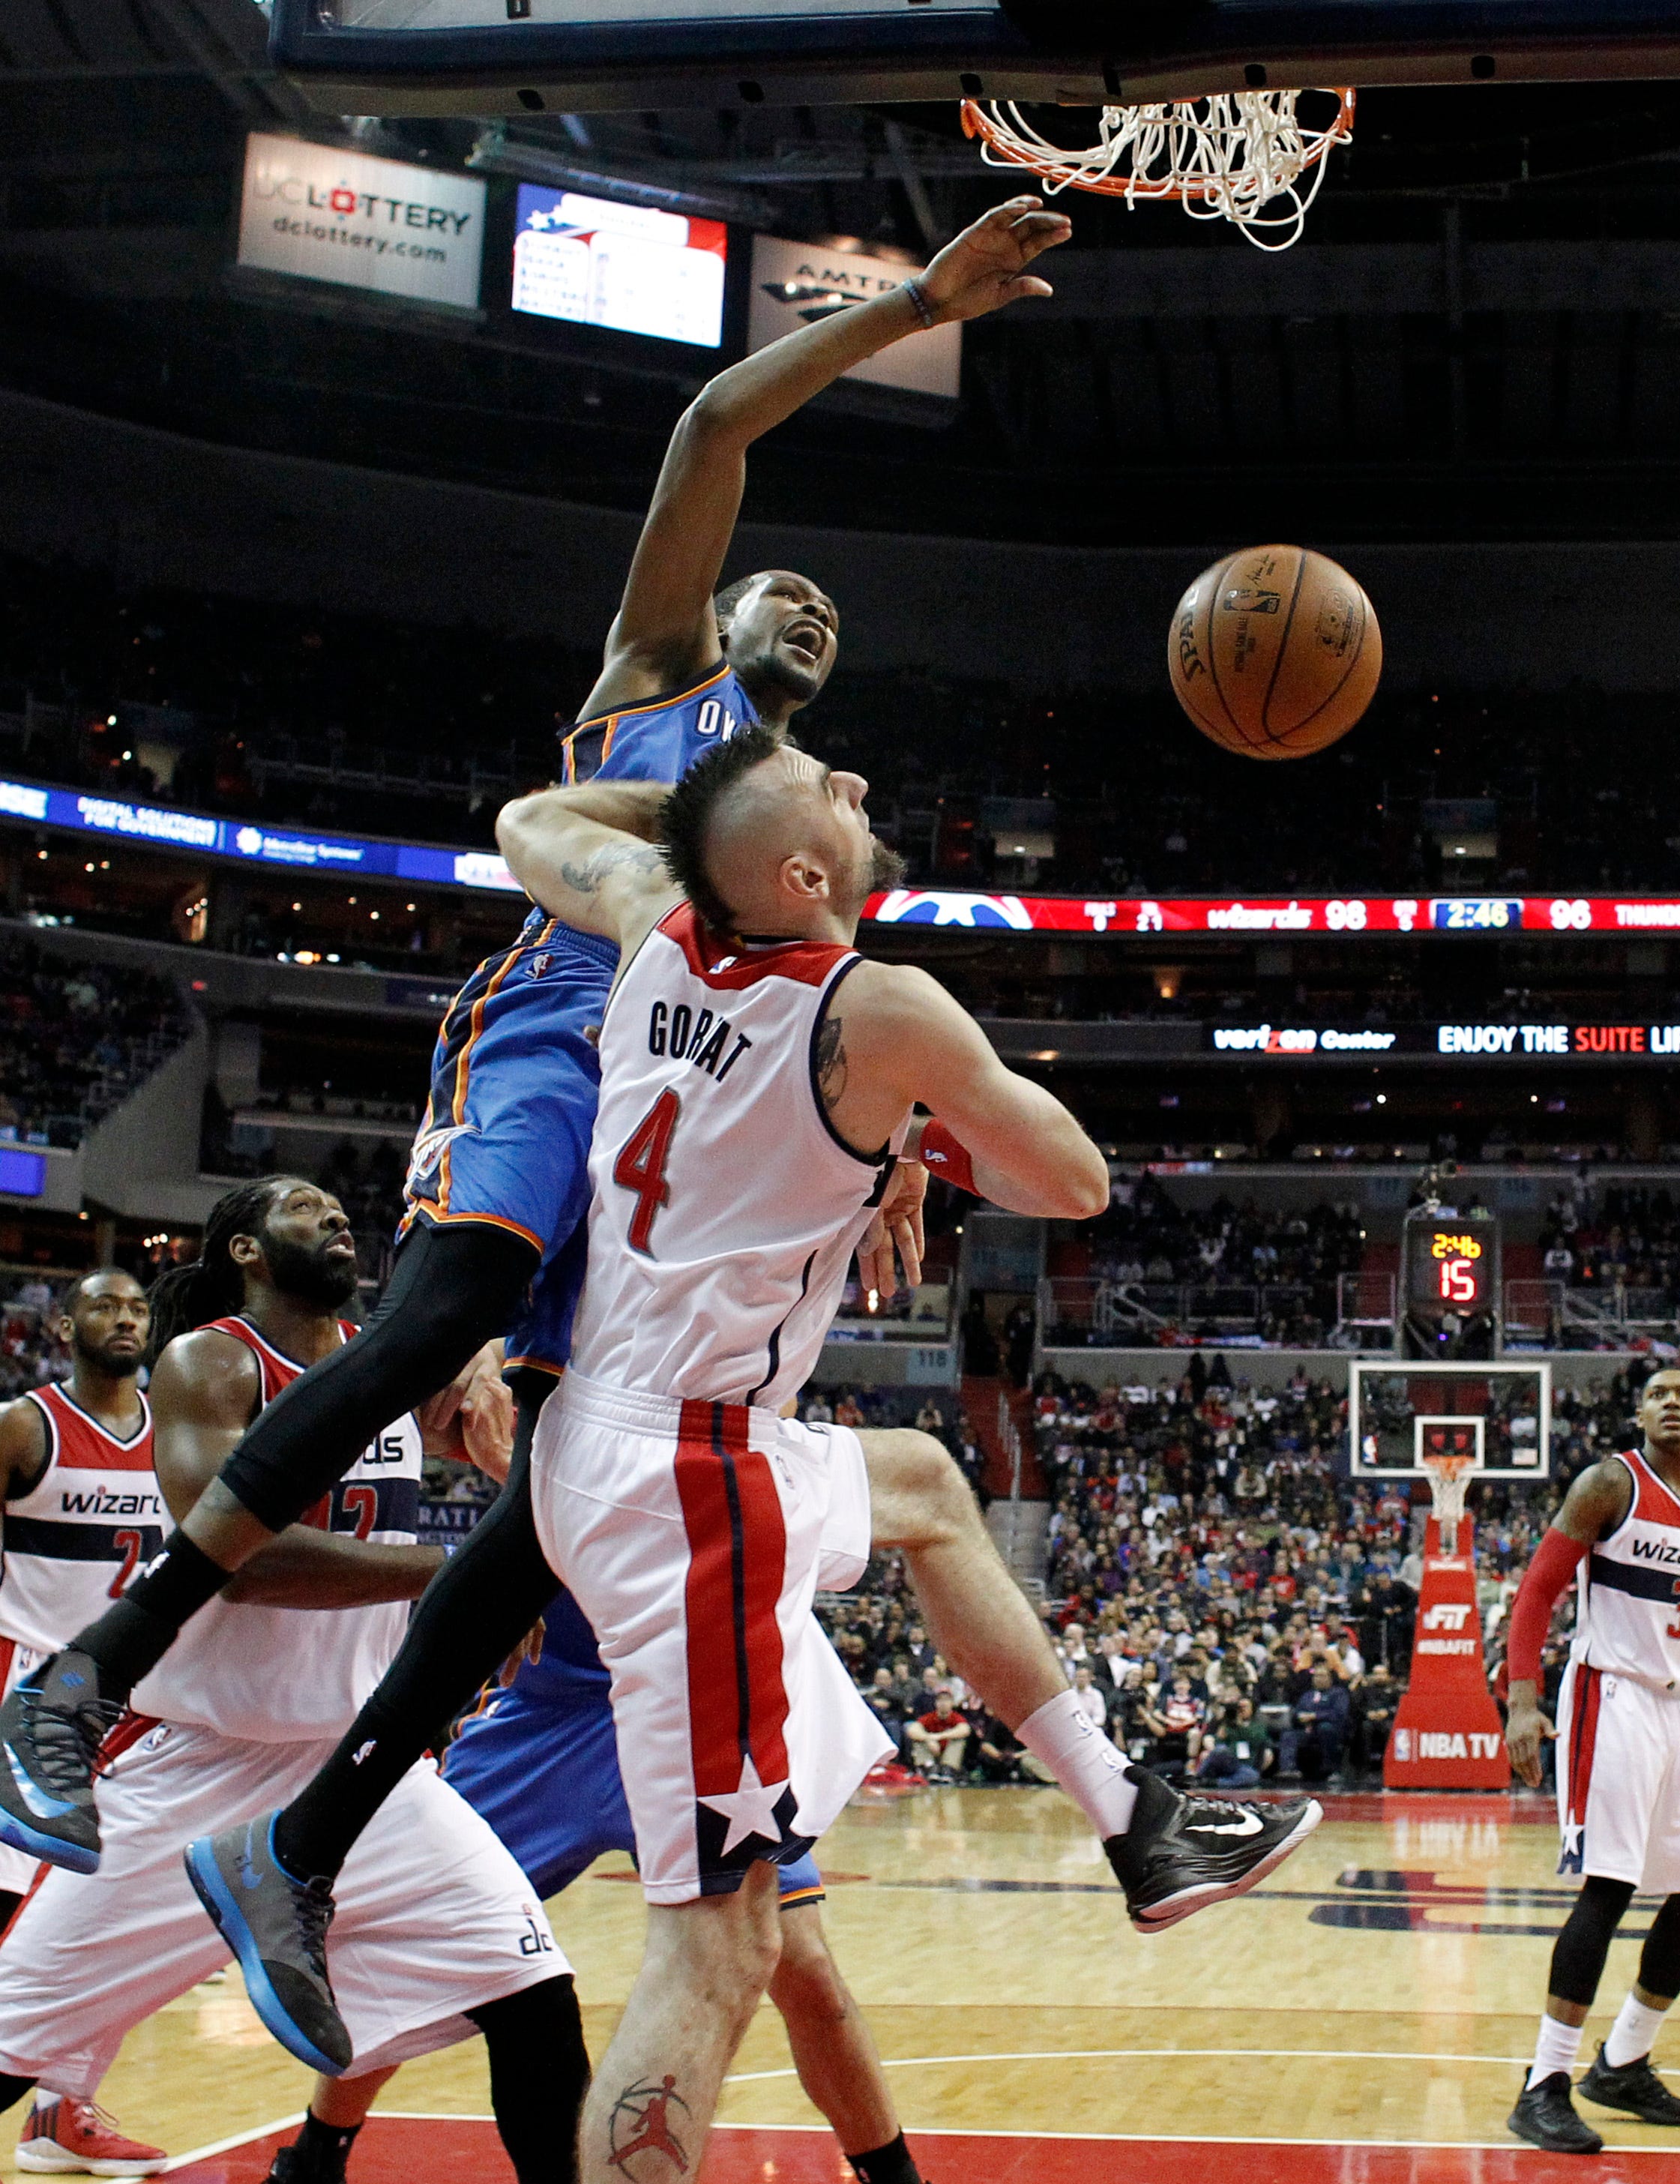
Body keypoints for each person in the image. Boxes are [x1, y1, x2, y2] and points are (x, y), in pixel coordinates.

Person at [0, 194, 1079, 1886]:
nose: (812, 616)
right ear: (712, 613)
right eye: (782, 594)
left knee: (564, 1466)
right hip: (556, 1033)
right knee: (444, 1314)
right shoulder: (655, 677)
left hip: (678, 1117)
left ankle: (309, 1852)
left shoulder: (803, 823)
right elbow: (711, 426)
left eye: (833, 619)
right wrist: (915, 310)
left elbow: (831, 1030)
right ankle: (86, 1675)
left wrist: (897, 1155)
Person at [187, 740, 1322, 2169]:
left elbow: (527, 816)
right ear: (797, 873)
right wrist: (912, 1126)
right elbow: (1073, 1179)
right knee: (717, 1955)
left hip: (599, 1436)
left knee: (923, 1484)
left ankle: (1131, 1813)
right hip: (689, 1481)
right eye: (826, 789)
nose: (855, 781)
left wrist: (697, 832)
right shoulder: (880, 1005)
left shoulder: (649, 921)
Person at [0, 1179, 585, 2184]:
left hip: (359, 1774)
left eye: (337, 1208)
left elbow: (497, 1385)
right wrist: (454, 1573)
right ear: (246, 1250)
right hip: (194, 1769)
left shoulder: (387, 1362)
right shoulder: (210, 1362)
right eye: (306, 1208)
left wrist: (494, 1408)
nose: (335, 1218)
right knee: (9, 2040)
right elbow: (240, 1557)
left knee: (534, 2001)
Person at [286, 1587, 929, 2184]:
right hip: (546, 1721)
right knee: (416, 1938)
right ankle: (316, 2154)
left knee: (806, 1966)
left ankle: (894, 2173)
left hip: (691, 1711)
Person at [1502, 1366, 1680, 2155]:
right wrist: (1520, 1702)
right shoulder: (1609, 1484)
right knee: (1609, 1886)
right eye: (1657, 1394)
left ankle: (1622, 2061)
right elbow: (1536, 1591)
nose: (1670, 1403)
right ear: (1639, 1411)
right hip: (1612, 1694)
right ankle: (1542, 2083)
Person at [0, 1272, 167, 2177]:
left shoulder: (179, 1428)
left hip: (137, 1702)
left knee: (109, 1920)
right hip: (28, 1690)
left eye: (137, 1307)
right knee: (18, 1919)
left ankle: (62, 2113)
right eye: (105, 1305)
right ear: (64, 1327)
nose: (125, 1319)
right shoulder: (25, 1426)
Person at [906, 1690, 970, 1781]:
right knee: (919, 1741)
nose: (943, 1703)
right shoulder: (929, 1717)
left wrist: (939, 1736)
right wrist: (928, 1739)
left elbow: (965, 1730)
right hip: (932, 1753)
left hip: (948, 1754)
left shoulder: (956, 1717)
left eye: (947, 1700)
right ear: (936, 1703)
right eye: (940, 1700)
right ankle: (929, 1768)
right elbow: (912, 1730)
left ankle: (948, 1769)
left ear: (952, 1703)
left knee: (958, 1741)